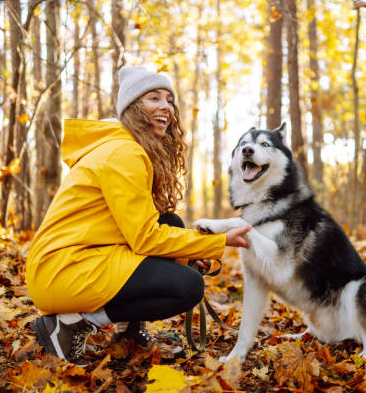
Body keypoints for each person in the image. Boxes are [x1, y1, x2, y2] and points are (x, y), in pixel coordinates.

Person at [26, 65, 251, 365]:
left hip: (77, 260)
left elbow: (144, 228)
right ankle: (73, 323)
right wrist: (216, 242)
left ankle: (129, 331)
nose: (166, 107)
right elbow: (145, 239)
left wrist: (189, 249)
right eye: (154, 98)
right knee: (187, 287)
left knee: (170, 222)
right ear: (133, 108)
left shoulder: (128, 148)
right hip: (63, 269)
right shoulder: (125, 153)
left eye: (169, 100)